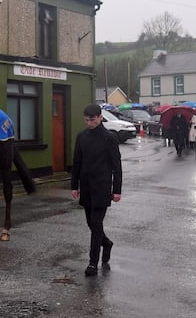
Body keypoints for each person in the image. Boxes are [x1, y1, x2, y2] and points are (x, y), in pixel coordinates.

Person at [71, 104, 123, 277]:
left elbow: (117, 167)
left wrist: (117, 190)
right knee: (91, 223)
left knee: (96, 223)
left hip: (102, 186)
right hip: (86, 186)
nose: (89, 123)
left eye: (92, 120)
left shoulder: (109, 138)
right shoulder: (82, 137)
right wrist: (74, 185)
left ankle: (93, 263)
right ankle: (106, 243)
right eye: (86, 120)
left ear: (100, 117)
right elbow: (77, 162)